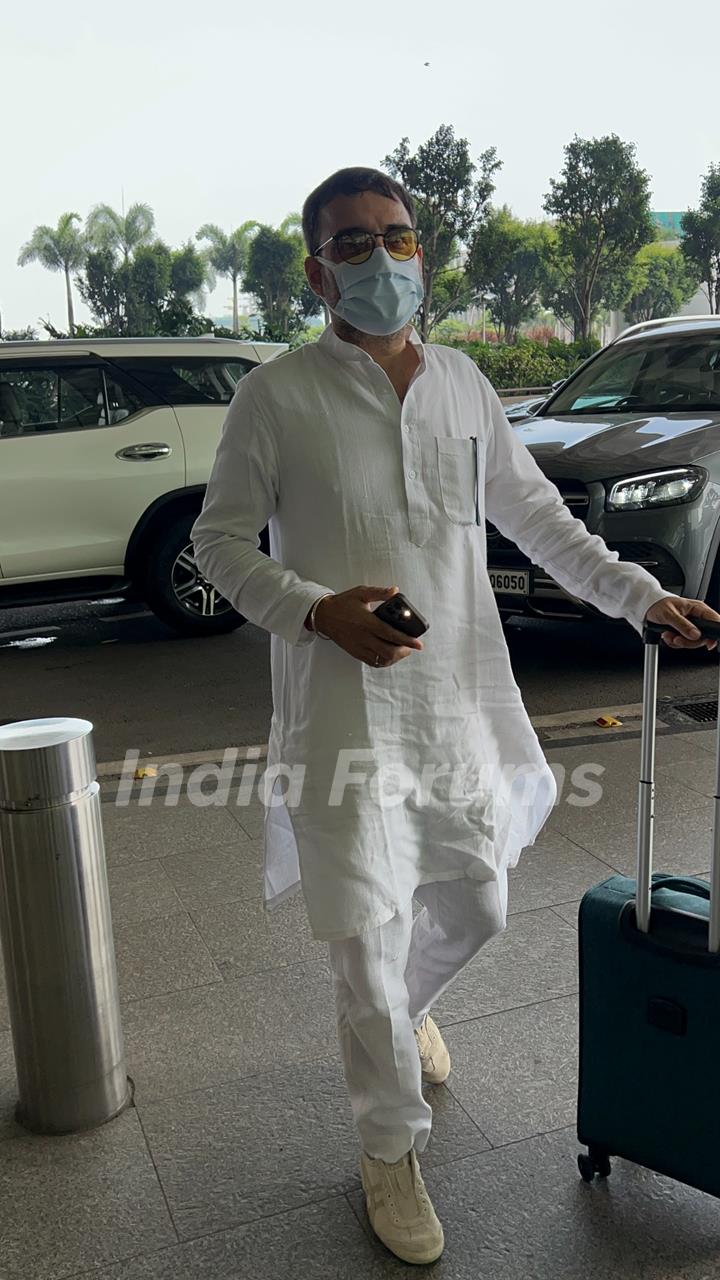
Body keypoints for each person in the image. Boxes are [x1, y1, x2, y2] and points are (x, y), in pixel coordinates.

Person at [191, 166, 720, 1266]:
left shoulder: (468, 385)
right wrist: (314, 609)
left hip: (455, 709)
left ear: (420, 252)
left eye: (397, 237)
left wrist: (636, 594)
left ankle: (397, 1013)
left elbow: (537, 517)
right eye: (351, 244)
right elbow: (219, 545)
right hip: (343, 715)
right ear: (313, 269)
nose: (380, 261)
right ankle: (390, 1146)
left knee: (475, 905)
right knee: (363, 936)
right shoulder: (276, 395)